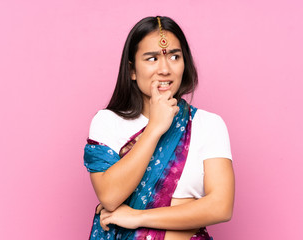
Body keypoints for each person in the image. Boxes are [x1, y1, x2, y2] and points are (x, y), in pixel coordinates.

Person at [83, 16, 235, 240]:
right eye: (152, 59)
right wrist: (154, 128)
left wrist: (138, 217)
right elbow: (110, 196)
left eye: (174, 56)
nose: (165, 69)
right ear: (132, 70)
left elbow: (220, 207)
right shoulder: (107, 122)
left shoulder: (209, 124)